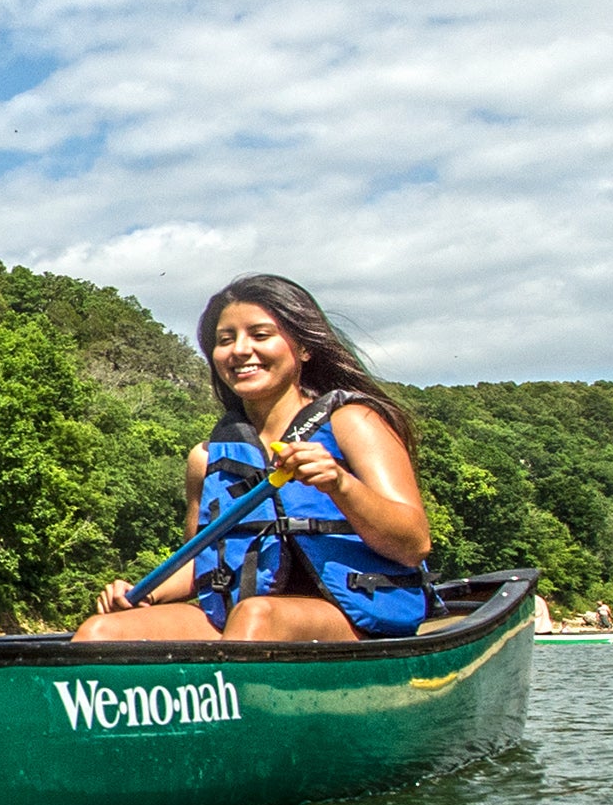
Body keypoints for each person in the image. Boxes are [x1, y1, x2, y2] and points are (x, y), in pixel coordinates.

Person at [73, 274, 433, 645]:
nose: (240, 350)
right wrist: (146, 594)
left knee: (256, 616)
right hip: (242, 621)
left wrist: (340, 484)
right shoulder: (205, 458)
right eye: (225, 340)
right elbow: (202, 562)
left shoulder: (355, 422)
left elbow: (413, 545)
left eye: (260, 335)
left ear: (304, 348)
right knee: (100, 632)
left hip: (350, 618)